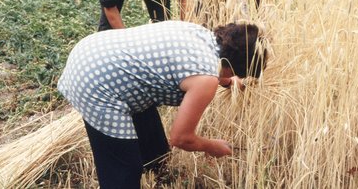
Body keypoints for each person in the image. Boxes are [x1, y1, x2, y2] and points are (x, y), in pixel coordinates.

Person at [57, 20, 268, 188]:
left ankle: (156, 168)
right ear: (235, 67)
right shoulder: (205, 80)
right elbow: (181, 138)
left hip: (95, 49)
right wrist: (212, 146)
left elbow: (196, 67)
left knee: (153, 143)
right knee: (124, 169)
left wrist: (228, 81)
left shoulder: (200, 35)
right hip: (94, 81)